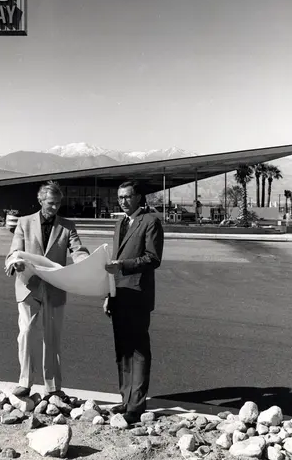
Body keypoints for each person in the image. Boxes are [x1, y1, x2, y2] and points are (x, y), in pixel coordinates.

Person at [5, 181, 89, 398]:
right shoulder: (24, 223)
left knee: (52, 338)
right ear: (40, 201)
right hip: (28, 287)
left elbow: (78, 249)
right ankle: (25, 382)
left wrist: (86, 262)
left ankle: (52, 387)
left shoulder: (67, 226)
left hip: (55, 288)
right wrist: (16, 263)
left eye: (58, 203)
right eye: (51, 203)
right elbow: (14, 251)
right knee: (26, 334)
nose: (55, 207)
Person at [104, 180, 164, 424]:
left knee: (138, 350)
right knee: (122, 350)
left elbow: (153, 258)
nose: (123, 201)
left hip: (138, 294)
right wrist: (108, 294)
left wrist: (124, 266)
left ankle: (136, 405)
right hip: (119, 294)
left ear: (139, 197)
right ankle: (125, 398)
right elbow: (115, 260)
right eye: (120, 197)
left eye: (127, 196)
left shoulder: (151, 222)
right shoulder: (121, 223)